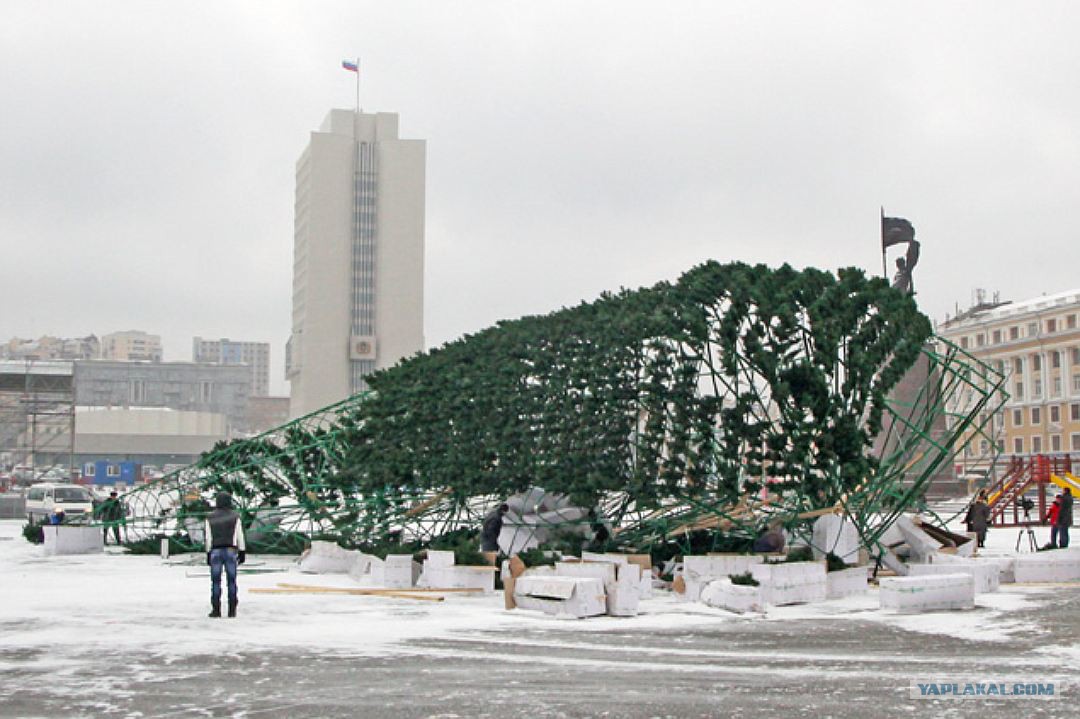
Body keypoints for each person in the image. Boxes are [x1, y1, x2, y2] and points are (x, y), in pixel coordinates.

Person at [203, 492, 246, 618]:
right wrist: (242, 551)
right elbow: (239, 535)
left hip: (215, 550)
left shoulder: (210, 517)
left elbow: (208, 537)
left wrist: (208, 553)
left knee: (216, 581)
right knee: (232, 581)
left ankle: (216, 609)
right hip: (230, 550)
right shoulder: (235, 516)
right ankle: (232, 610)